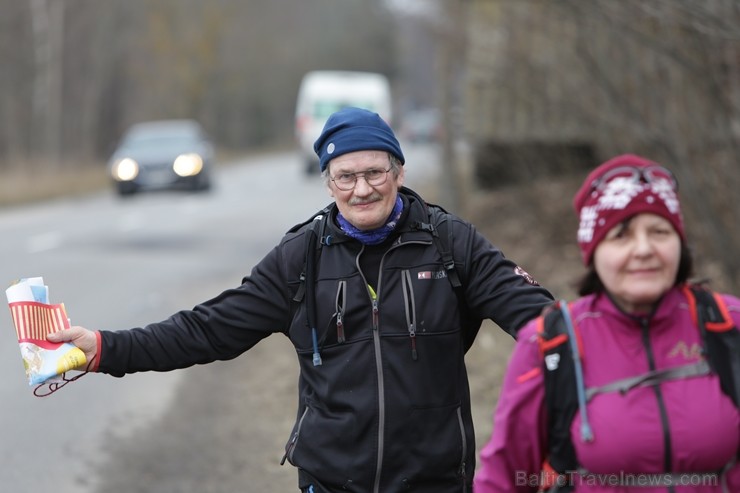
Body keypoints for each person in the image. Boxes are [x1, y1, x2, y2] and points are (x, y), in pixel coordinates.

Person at [48, 107, 554, 492]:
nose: (362, 189)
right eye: (346, 176)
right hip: (331, 480)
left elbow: (542, 322)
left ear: (399, 173)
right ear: (328, 181)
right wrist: (103, 348)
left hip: (438, 478)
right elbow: (208, 329)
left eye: (375, 172)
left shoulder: (450, 244)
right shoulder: (301, 258)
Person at [473, 154, 740, 493]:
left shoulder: (728, 326)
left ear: (679, 246)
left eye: (659, 232)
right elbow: (502, 481)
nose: (643, 249)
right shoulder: (552, 343)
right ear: (593, 252)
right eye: (621, 236)